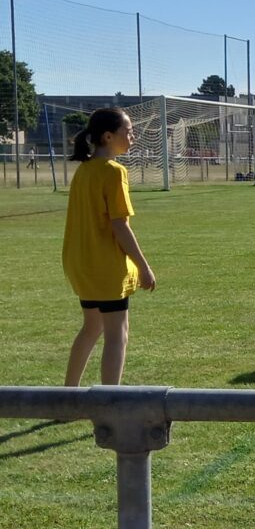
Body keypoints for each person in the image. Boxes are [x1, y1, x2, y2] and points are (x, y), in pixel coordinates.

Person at [62, 108, 156, 386]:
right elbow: (120, 226)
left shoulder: (84, 170)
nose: (132, 137)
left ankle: (67, 398)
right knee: (118, 334)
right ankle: (109, 406)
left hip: (80, 264)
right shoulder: (114, 172)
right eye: (128, 132)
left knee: (91, 328)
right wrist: (144, 267)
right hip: (105, 267)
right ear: (108, 136)